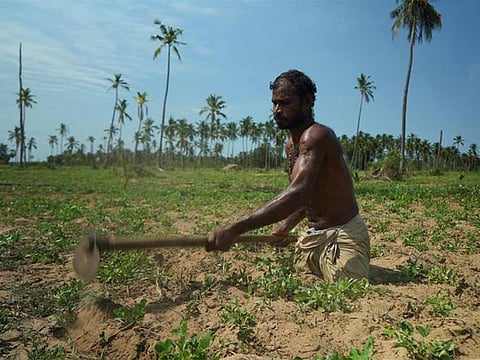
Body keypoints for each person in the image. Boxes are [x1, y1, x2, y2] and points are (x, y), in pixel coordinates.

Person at [206, 69, 370, 283]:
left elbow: (298, 193)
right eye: (274, 103)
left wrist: (236, 229)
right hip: (314, 236)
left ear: (307, 102)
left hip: (343, 234)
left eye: (285, 103)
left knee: (347, 287)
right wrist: (286, 227)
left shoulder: (317, 136)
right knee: (301, 277)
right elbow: (307, 197)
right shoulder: (291, 146)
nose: (276, 110)